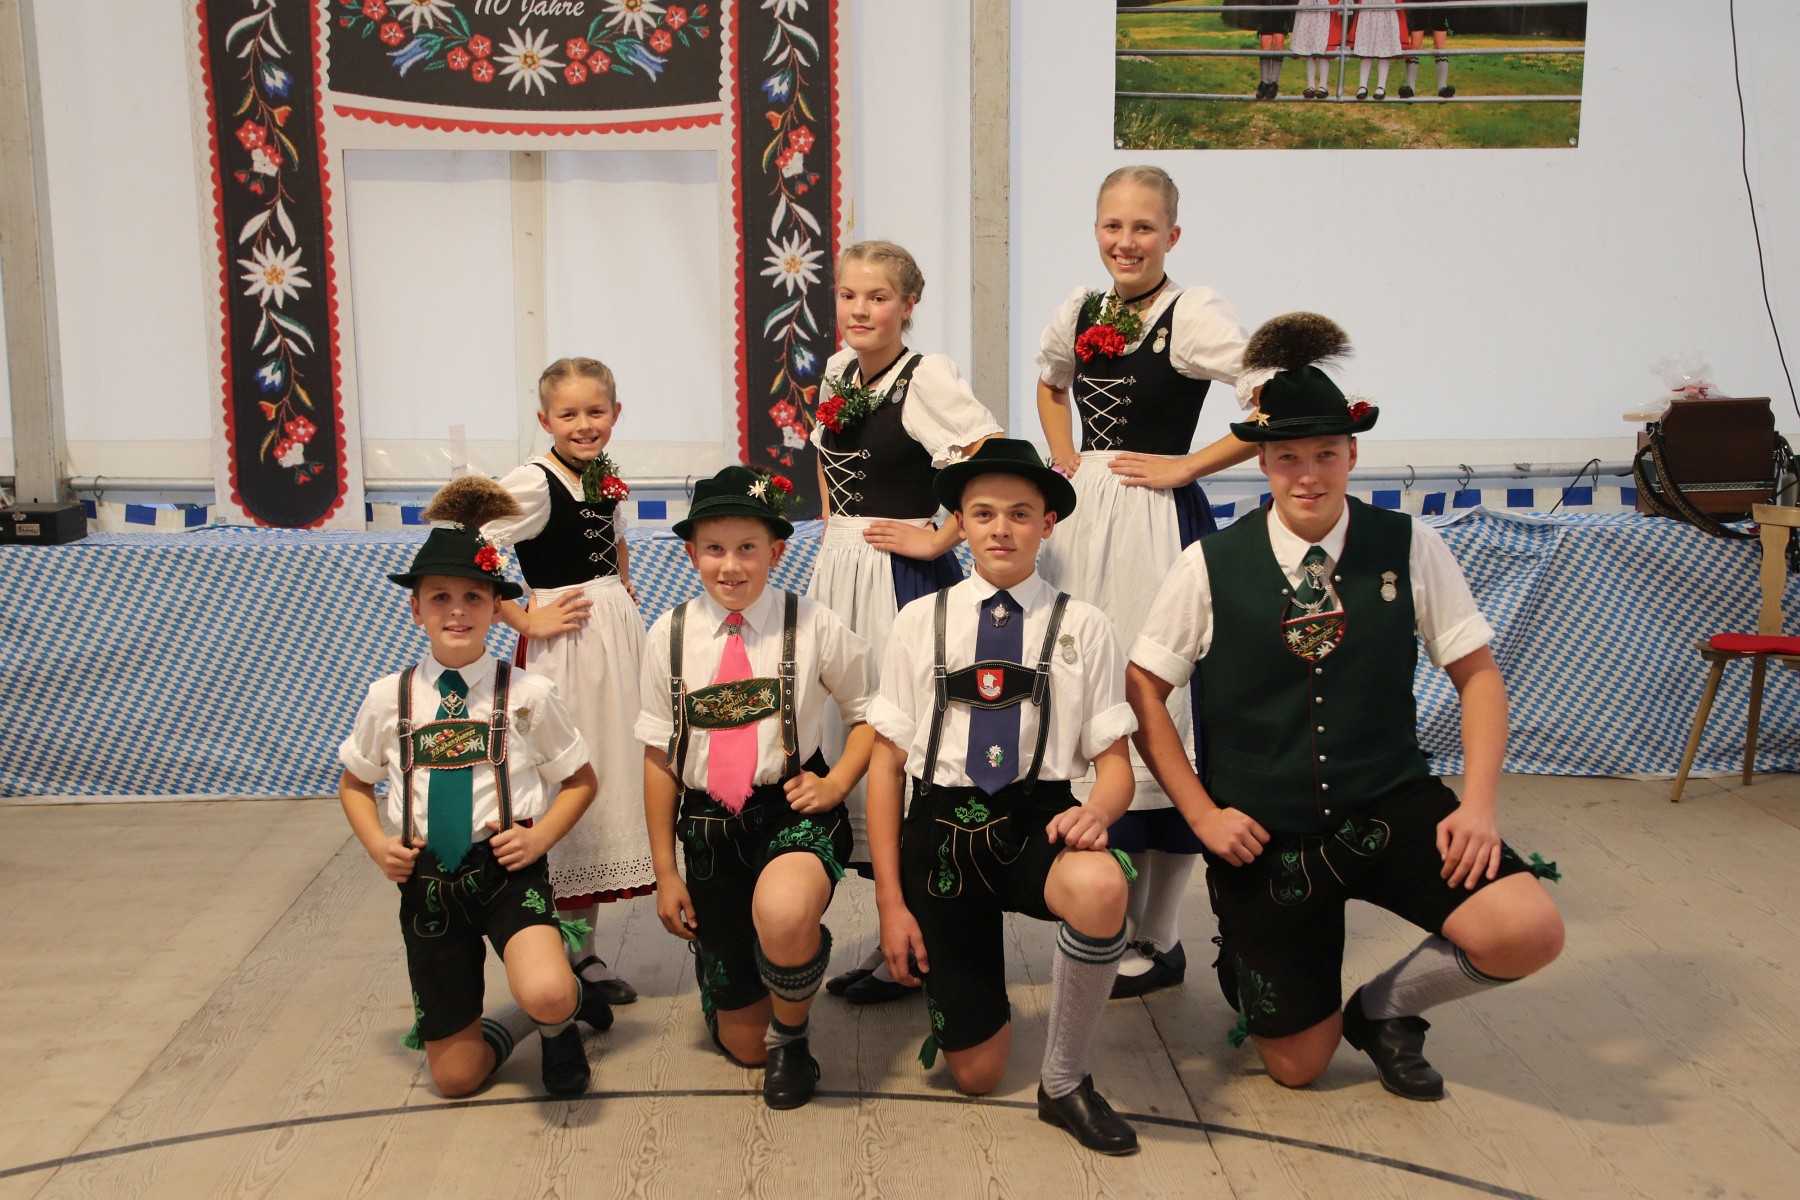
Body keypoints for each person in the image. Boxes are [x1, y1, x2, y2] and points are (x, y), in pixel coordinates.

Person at [1127, 313, 1564, 1100]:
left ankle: (1385, 1010)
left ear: (1352, 454)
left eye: (1326, 454)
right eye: (1289, 457)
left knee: (1527, 930)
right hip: (1266, 834)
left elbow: (1479, 677)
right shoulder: (1209, 564)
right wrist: (1201, 814)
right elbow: (1144, 689)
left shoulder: (1410, 545)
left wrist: (1479, 806)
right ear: (1262, 460)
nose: (1308, 476)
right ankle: (1254, 951)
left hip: (1388, 801)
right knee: (1299, 1067)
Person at [867, 439, 1141, 1155]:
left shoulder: (1086, 625)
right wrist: (891, 903)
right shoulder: (918, 621)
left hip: (1037, 822)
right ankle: (960, 983)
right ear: (959, 522)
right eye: (983, 513)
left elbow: (1115, 766)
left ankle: (1065, 1079)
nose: (1000, 529)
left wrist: (1098, 811)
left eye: (1020, 514)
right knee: (978, 1076)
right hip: (940, 835)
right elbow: (886, 768)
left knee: (1102, 884)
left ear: (1047, 523)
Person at [1036, 165, 1250, 1000]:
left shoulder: (1192, 313)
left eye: (1143, 228)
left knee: (1156, 696)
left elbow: (1272, 394)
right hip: (1086, 520)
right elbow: (1052, 380)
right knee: (1089, 691)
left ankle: (1159, 935)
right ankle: (1110, 919)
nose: (1125, 242)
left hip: (1156, 527)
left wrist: (1188, 466)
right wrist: (1068, 459)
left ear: (1172, 235)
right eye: (1112, 225)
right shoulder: (1080, 307)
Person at [337, 477, 613, 1098]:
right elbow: (354, 783)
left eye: (473, 596)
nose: (457, 611)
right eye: (440, 597)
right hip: (428, 883)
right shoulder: (387, 698)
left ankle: (557, 1019)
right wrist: (379, 845)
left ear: (496, 607)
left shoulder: (529, 693)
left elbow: (580, 780)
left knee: (547, 988)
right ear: (416, 609)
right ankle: (538, 1014)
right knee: (457, 1079)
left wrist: (540, 838)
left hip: (507, 872)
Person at [635, 466, 877, 1109]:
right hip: (709, 827)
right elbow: (658, 758)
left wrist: (837, 783)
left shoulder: (813, 623)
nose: (731, 565)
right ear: (692, 553)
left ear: (776, 551)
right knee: (742, 1045)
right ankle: (738, 968)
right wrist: (666, 873)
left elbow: (870, 712)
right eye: (715, 548)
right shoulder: (668, 635)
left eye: (748, 548)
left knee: (786, 912)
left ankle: (791, 1040)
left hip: (790, 812)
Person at [810, 240, 1002, 1006]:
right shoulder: (838, 371)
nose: (860, 310)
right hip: (841, 570)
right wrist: (836, 530)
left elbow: (990, 454)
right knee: (849, 733)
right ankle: (900, 933)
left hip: (899, 579)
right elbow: (829, 461)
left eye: (878, 297)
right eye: (849, 295)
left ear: (908, 304)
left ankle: (924, 946)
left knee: (903, 743)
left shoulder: (928, 377)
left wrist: (939, 538)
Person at [483, 356, 652, 1007]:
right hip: (565, 650)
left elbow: (615, 538)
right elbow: (469, 542)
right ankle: (558, 949)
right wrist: (525, 615)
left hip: (612, 639)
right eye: (569, 414)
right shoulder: (532, 481)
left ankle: (583, 949)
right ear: (544, 419)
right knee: (567, 780)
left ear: (615, 412)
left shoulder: (601, 474)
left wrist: (620, 587)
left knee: (607, 776)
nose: (584, 424)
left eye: (595, 411)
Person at [1401, 0, 1456, 99]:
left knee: (1440, 43)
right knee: (1415, 44)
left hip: (1439, 3)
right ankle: (1410, 87)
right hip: (1419, 3)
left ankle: (1442, 87)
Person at [1351, 0, 1404, 99]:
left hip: (1387, 7)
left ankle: (1381, 86)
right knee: (1366, 44)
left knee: (1385, 46)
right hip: (1368, 7)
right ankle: (1362, 85)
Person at [1292, 0, 1344, 99]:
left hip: (1326, 7)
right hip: (1309, 6)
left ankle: (1323, 86)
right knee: (1309, 46)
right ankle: (1310, 86)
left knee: (1324, 47)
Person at [1254, 1, 1295, 99]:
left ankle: (1274, 83)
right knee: (1265, 44)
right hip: (1266, 8)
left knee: (1278, 43)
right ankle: (1264, 82)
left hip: (1282, 8)